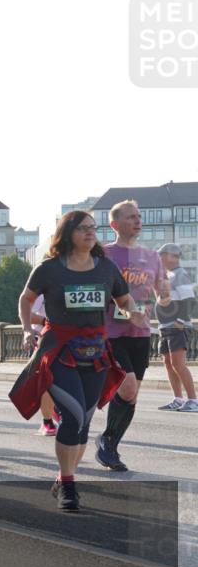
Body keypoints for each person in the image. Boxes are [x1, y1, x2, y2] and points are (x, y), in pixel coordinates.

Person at [11, 211, 136, 510]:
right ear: (67, 233)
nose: (90, 233)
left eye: (93, 228)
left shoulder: (106, 268)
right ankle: (69, 485)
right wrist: (29, 329)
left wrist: (134, 313)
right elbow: (25, 300)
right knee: (74, 416)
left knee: (84, 423)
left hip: (96, 353)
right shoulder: (49, 269)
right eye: (83, 228)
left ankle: (63, 477)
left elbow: (124, 301)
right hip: (59, 351)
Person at [96, 200, 167, 471]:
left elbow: (162, 293)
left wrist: (162, 299)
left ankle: (109, 443)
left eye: (139, 216)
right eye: (130, 217)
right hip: (110, 332)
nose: (137, 221)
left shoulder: (152, 257)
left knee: (132, 394)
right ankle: (103, 438)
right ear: (114, 224)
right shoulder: (102, 254)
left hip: (140, 333)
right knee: (127, 386)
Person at [154, 243, 198, 412]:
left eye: (162, 255)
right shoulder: (169, 275)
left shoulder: (180, 274)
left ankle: (193, 400)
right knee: (168, 363)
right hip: (165, 327)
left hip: (176, 326)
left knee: (178, 363)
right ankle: (178, 399)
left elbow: (190, 299)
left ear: (173, 256)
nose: (160, 258)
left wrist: (180, 320)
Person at [29, 294, 59, 435]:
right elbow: (27, 313)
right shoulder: (41, 278)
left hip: (67, 337)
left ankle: (57, 410)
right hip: (43, 339)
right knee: (46, 382)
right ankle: (47, 421)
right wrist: (47, 321)